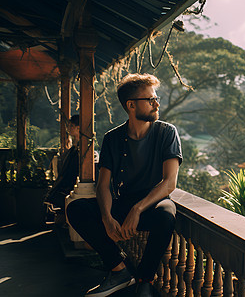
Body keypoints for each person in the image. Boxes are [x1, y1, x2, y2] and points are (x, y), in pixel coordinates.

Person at [66, 73, 182, 297]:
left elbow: (169, 182)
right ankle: (118, 270)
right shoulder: (112, 138)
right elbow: (103, 185)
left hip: (151, 204)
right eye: (150, 99)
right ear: (131, 105)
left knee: (167, 214)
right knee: (76, 208)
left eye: (156, 98)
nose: (156, 103)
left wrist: (138, 209)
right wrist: (107, 217)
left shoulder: (167, 133)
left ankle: (145, 279)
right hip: (121, 204)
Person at [45, 114, 80, 212]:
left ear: (78, 128)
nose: (69, 128)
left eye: (71, 126)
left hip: (72, 180)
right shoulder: (74, 147)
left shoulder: (81, 147)